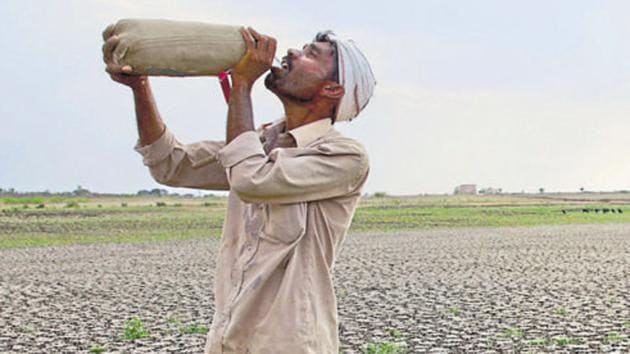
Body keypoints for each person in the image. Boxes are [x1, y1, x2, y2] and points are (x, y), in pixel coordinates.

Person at [102, 25, 375, 354]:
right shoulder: (261, 142)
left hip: (289, 342)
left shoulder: (343, 157)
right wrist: (140, 87)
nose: (292, 53)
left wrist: (242, 85)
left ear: (332, 89)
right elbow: (171, 165)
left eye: (310, 55)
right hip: (230, 336)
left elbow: (251, 179)